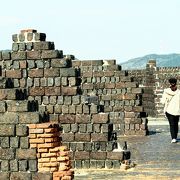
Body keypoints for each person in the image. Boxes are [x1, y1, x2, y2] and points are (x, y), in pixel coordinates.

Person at [161, 78, 180, 143]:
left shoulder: (166, 91)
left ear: (170, 83)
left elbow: (162, 101)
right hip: (177, 110)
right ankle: (175, 137)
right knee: (176, 124)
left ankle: (173, 138)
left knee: (172, 124)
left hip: (169, 110)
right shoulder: (179, 92)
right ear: (176, 83)